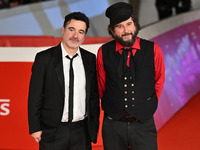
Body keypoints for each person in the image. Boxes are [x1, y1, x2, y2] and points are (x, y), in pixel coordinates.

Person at [96, 2, 165, 150]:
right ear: (112, 30)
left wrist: (146, 103)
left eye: (129, 24)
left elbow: (159, 80)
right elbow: (102, 85)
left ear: (135, 25)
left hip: (143, 125)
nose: (126, 30)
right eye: (119, 26)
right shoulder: (103, 52)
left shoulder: (153, 49)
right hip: (113, 126)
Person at [28, 12, 100, 150]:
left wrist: (93, 128)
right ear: (63, 29)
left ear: (84, 35)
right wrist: (35, 127)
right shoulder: (44, 58)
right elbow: (34, 96)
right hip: (53, 131)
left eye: (81, 32)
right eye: (71, 30)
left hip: (82, 132)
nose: (75, 36)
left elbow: (93, 97)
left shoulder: (90, 59)